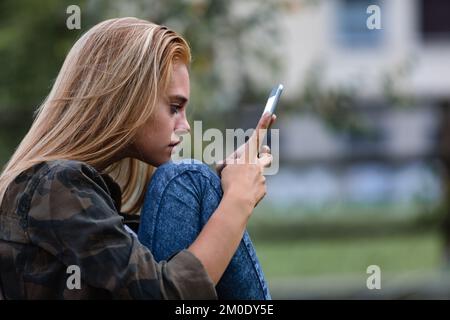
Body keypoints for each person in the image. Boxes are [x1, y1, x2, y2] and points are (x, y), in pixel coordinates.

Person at [0, 17, 275, 300]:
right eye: (174, 107)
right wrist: (238, 199)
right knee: (188, 179)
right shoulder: (55, 185)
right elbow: (162, 295)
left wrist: (218, 192)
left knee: (198, 183)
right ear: (127, 99)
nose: (185, 125)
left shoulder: (65, 190)